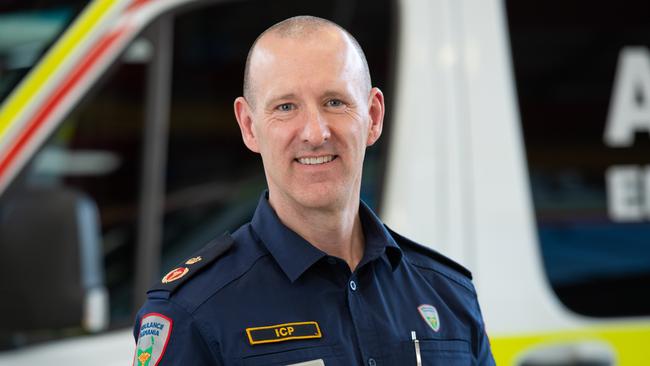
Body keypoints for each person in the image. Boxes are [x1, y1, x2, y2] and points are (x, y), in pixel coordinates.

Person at [133, 15, 495, 365]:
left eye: (334, 102)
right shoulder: (192, 312)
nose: (315, 133)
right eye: (286, 107)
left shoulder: (448, 295)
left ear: (373, 116)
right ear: (249, 125)